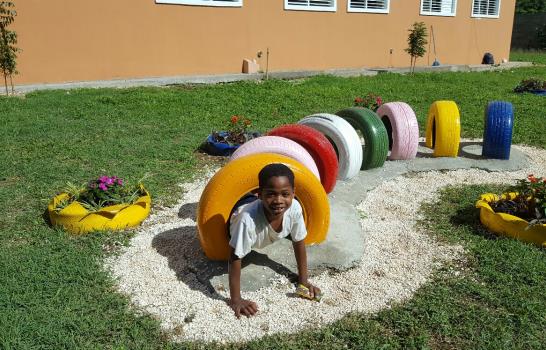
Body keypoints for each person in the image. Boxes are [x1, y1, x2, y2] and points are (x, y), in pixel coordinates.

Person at [228, 163, 321, 318]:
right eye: (271, 194)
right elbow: (234, 257)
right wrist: (236, 299)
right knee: (245, 207)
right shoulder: (246, 221)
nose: (278, 200)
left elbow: (299, 242)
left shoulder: (294, 209)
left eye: (285, 194)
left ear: (293, 193)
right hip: (238, 210)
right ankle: (251, 197)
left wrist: (303, 281)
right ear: (260, 194)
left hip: (256, 204)